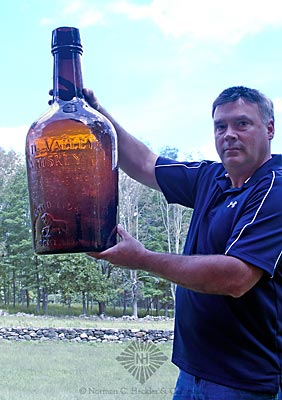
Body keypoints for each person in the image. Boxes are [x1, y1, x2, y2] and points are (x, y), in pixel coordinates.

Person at [83, 86, 282, 399]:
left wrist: (142, 258)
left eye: (242, 124)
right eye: (220, 126)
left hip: (245, 381)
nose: (229, 134)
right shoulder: (210, 178)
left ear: (269, 129)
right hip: (192, 372)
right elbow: (145, 163)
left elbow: (237, 277)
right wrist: (97, 117)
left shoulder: (274, 188)